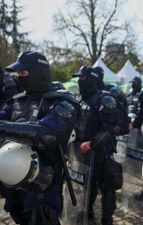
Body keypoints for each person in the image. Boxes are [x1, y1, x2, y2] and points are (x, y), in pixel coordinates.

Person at [0, 51, 80, 225]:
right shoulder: (17, 101)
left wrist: (3, 127)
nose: (18, 77)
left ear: (38, 72)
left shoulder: (63, 100)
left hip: (43, 183)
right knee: (18, 215)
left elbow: (46, 134)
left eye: (23, 73)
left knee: (41, 218)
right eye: (17, 74)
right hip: (13, 176)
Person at [73, 65, 128, 225]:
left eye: (83, 78)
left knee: (107, 188)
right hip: (83, 152)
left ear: (92, 79)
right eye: (79, 78)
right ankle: (87, 213)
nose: (80, 81)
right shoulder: (79, 99)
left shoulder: (105, 98)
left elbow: (112, 127)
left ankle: (107, 219)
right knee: (87, 185)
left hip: (102, 152)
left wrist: (93, 143)